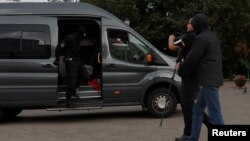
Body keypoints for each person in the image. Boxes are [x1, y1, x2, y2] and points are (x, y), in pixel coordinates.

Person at [177, 13, 224, 141]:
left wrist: (181, 65)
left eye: (193, 23)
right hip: (212, 78)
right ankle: (193, 138)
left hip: (209, 80)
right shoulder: (212, 36)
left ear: (198, 25)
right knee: (197, 109)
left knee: (216, 114)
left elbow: (192, 58)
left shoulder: (201, 38)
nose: (191, 25)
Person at [169, 19, 211, 141]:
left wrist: (171, 37)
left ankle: (189, 133)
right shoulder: (194, 37)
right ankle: (192, 132)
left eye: (189, 23)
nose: (186, 24)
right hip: (191, 75)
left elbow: (172, 46)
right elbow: (181, 48)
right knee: (190, 105)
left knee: (188, 104)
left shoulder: (191, 36)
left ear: (193, 25)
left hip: (190, 76)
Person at [55, 26, 90, 108]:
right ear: (80, 33)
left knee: (86, 76)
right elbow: (59, 47)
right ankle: (68, 100)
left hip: (77, 61)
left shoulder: (78, 39)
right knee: (71, 82)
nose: (83, 37)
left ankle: (74, 89)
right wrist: (57, 59)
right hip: (70, 62)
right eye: (83, 35)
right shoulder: (69, 38)